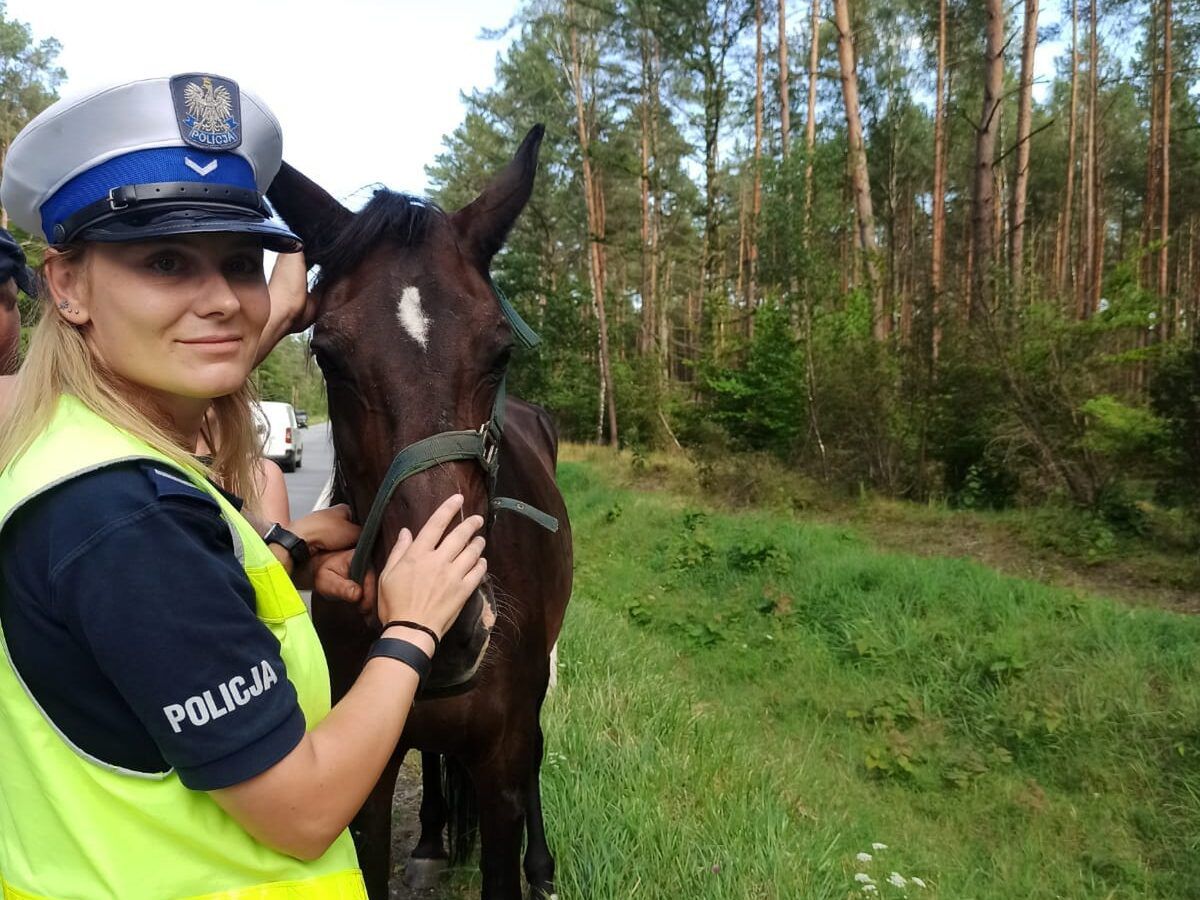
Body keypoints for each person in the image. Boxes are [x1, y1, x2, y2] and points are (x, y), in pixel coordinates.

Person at [0, 73, 486, 898]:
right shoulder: (122, 518)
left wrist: (284, 553)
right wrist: (413, 627)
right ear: (68, 286)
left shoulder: (76, 452)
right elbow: (302, 811)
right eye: (165, 261)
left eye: (237, 261)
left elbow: (141, 641)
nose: (222, 299)